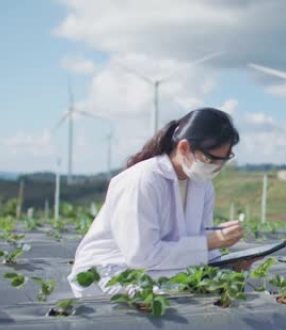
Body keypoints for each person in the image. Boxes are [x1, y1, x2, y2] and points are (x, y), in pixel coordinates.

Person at [67, 107, 251, 297]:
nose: (216, 167)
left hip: (161, 269)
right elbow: (141, 256)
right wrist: (209, 242)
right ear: (184, 148)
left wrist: (229, 264)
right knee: (173, 298)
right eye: (210, 159)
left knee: (221, 286)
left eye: (223, 161)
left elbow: (197, 244)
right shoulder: (143, 180)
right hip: (112, 271)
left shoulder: (202, 185)